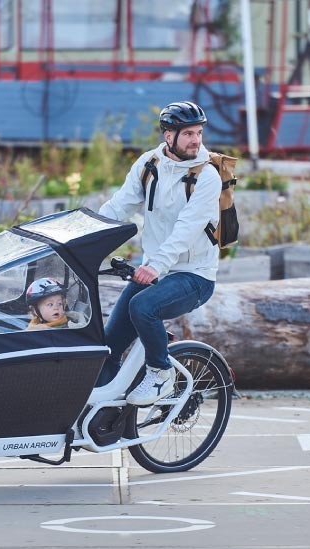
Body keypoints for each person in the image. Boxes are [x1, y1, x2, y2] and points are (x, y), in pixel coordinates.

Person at [97, 100, 220, 405]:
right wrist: (86, 233)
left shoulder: (207, 177)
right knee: (108, 349)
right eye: (188, 133)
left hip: (194, 275)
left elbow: (187, 230)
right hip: (156, 270)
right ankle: (98, 413)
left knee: (143, 307)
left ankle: (160, 372)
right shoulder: (149, 164)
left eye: (199, 133)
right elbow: (119, 205)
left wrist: (156, 266)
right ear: (168, 136)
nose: (196, 140)